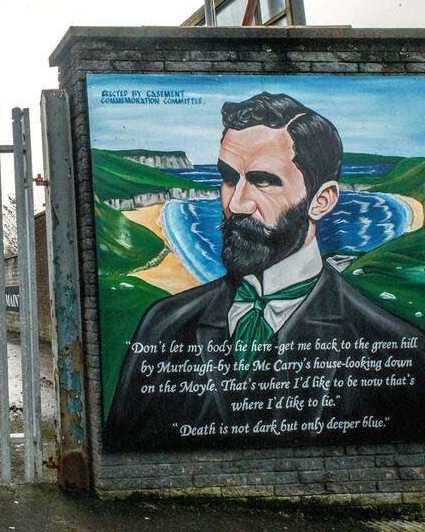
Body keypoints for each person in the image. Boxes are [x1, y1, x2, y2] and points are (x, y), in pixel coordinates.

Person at [104, 92, 425, 452]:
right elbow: (123, 446)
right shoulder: (164, 324)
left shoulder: (394, 348)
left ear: (322, 201)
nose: (236, 203)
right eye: (229, 178)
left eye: (263, 181)